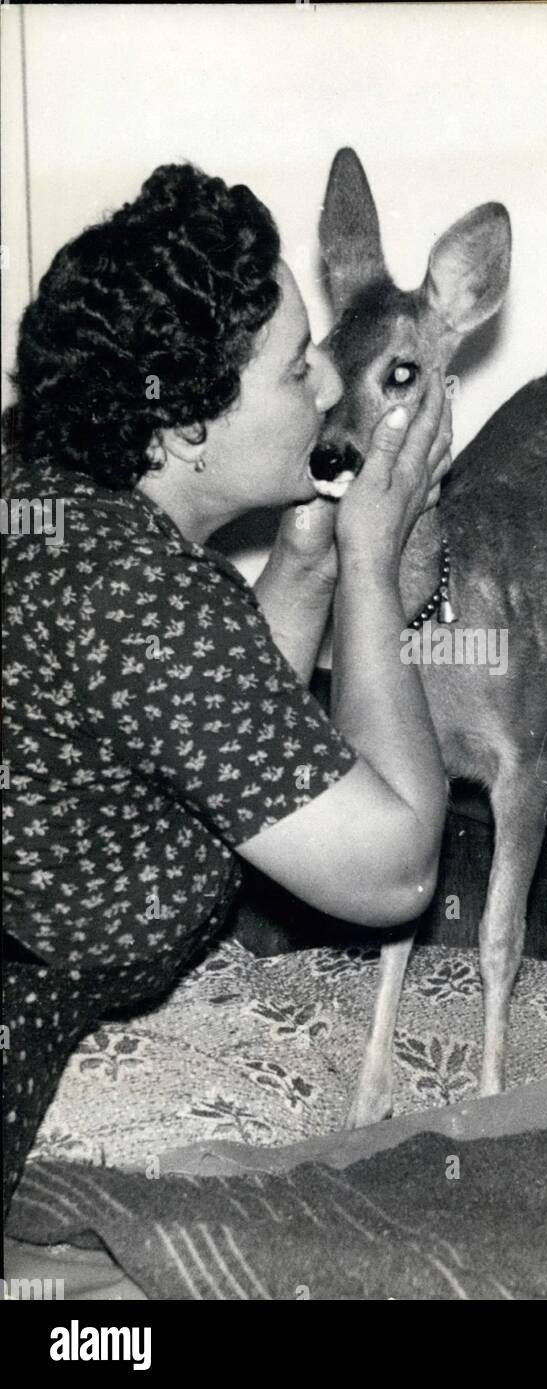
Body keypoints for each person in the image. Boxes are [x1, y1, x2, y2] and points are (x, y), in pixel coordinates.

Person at [1, 162, 452, 1214]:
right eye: (300, 371)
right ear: (185, 425)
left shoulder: (50, 489)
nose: (333, 388)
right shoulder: (138, 595)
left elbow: (215, 723)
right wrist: (373, 571)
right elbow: (393, 870)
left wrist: (305, 566)